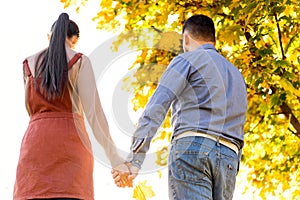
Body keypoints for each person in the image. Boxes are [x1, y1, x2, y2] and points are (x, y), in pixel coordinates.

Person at [112, 14, 248, 200]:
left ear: (186, 38)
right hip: (229, 156)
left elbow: (156, 107)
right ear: (213, 39)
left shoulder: (187, 60)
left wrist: (135, 159)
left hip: (192, 148)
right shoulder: (237, 75)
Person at [13, 13, 130, 200]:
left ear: (49, 36)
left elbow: (30, 109)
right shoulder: (79, 61)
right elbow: (94, 114)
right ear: (74, 40)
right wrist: (115, 159)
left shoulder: (28, 64)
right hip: (71, 146)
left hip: (35, 145)